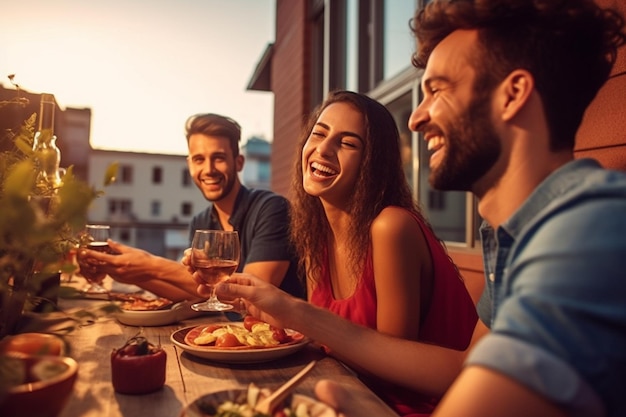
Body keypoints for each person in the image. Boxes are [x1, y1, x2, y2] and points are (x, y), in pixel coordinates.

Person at [216, 1, 626, 416]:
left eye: (438, 90)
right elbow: (466, 368)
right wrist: (295, 316)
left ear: (513, 95)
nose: (415, 117)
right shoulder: (509, 235)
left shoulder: (586, 229)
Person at [196, 90, 477, 416]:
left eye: (348, 143)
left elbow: (388, 370)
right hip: (348, 391)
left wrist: (293, 311)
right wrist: (252, 304)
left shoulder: (390, 227)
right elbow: (320, 336)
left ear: (373, 162)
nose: (323, 149)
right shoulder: (316, 235)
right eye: (319, 133)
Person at [79, 113, 304, 302]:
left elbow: (251, 296)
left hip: (281, 344)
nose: (208, 169)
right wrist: (131, 273)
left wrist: (151, 264)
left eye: (218, 158)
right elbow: (196, 293)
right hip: (225, 340)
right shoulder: (202, 222)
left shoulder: (273, 209)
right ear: (189, 165)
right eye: (199, 159)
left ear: (239, 162)